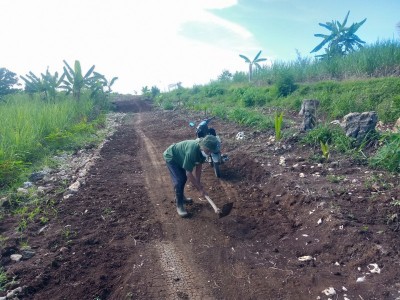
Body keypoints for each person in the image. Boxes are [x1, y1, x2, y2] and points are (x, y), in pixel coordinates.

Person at [163, 135, 219, 217]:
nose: (210, 153)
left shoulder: (203, 153)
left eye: (211, 151)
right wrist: (199, 189)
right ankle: (179, 204)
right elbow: (188, 173)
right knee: (179, 180)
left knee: (183, 179)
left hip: (181, 157)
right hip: (172, 157)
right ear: (203, 146)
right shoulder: (192, 151)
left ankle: (181, 197)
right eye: (209, 150)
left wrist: (198, 183)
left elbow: (199, 167)